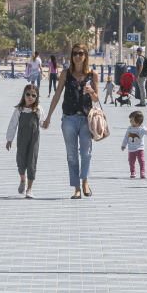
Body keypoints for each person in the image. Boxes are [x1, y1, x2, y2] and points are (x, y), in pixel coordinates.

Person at [43, 43, 100, 199]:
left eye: (81, 53)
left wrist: (92, 91)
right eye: (75, 53)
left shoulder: (92, 75)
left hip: (86, 119)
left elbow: (97, 99)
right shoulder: (65, 74)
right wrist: (48, 117)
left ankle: (85, 181)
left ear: (86, 56)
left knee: (86, 153)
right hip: (69, 118)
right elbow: (57, 95)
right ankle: (76, 187)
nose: (77, 56)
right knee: (71, 155)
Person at [6, 84, 45, 199]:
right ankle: (23, 179)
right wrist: (9, 139)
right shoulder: (19, 110)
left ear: (36, 97)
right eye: (28, 94)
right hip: (22, 140)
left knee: (32, 162)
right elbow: (12, 125)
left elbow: (43, 123)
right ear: (24, 95)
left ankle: (29, 189)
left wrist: (46, 124)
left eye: (33, 95)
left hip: (34, 140)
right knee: (21, 160)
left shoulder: (38, 109)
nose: (30, 97)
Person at [120, 110, 147, 179]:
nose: (130, 122)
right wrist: (124, 145)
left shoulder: (142, 128)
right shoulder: (129, 128)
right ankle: (133, 172)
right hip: (131, 149)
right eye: (130, 120)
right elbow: (126, 137)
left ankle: (142, 172)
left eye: (132, 120)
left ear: (138, 121)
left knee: (141, 160)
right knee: (131, 161)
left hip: (140, 148)